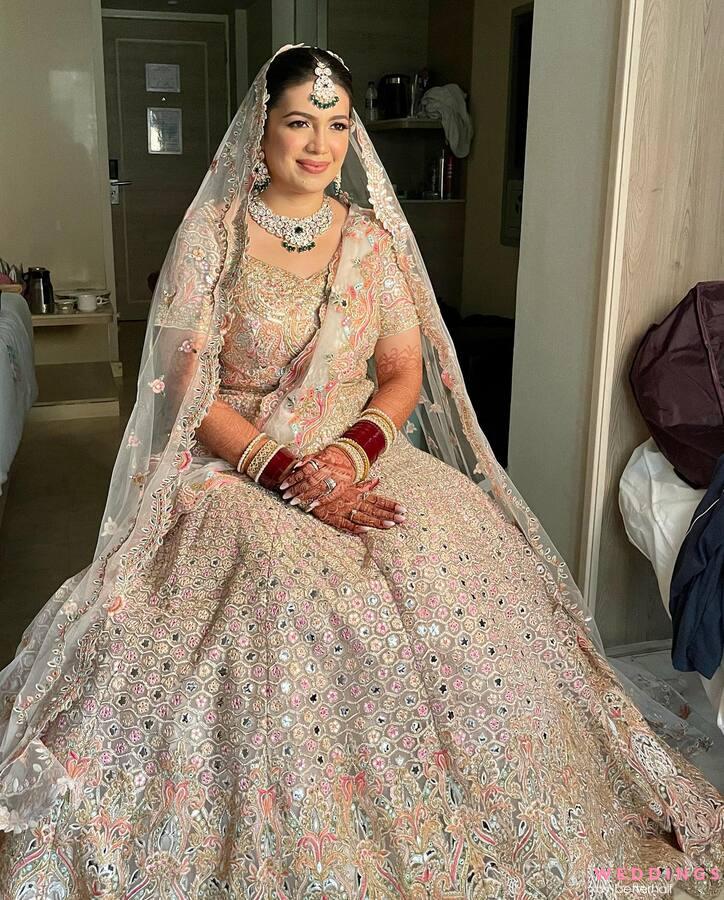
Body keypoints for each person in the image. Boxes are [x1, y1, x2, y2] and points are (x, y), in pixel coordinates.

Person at [0, 44, 723, 899]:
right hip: (237, 463)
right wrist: (287, 472)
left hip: (365, 452)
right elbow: (188, 387)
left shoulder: (372, 242)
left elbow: (402, 374)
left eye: (336, 125)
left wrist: (347, 455)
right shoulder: (214, 235)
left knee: (456, 566)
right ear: (258, 130)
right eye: (298, 122)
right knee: (282, 589)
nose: (318, 144)